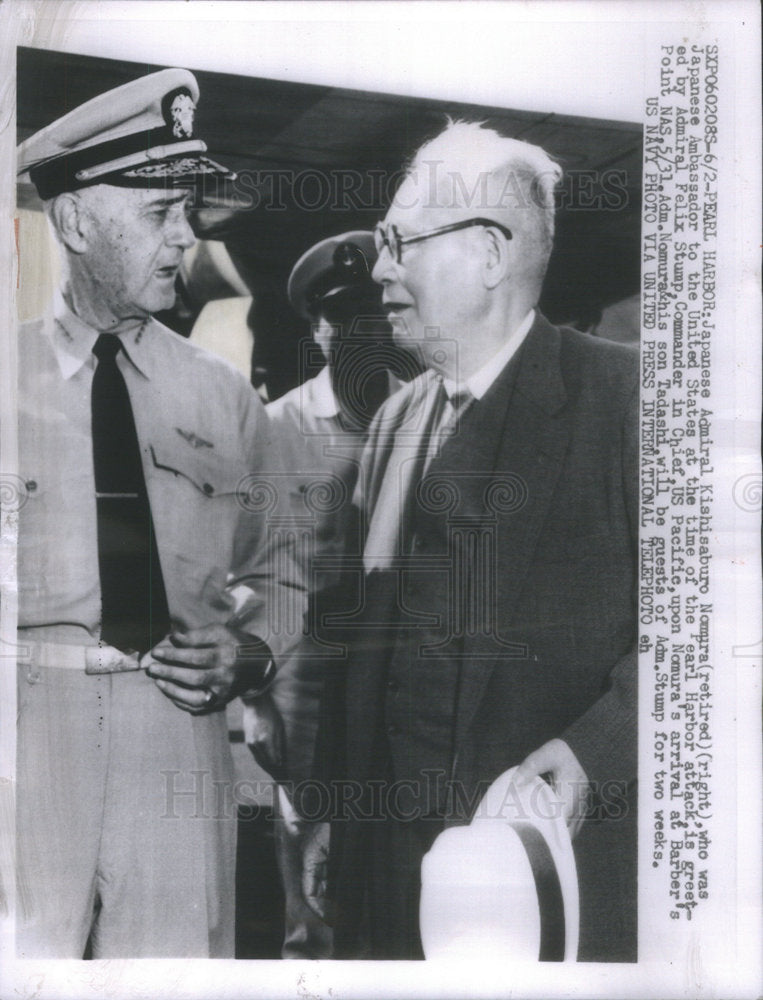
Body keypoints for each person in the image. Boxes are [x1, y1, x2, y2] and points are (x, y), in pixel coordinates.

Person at [323, 121, 638, 961]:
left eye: (399, 242)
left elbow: (721, 636)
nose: (379, 267)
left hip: (547, 888)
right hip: (390, 883)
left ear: (491, 255)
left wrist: (594, 750)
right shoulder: (394, 422)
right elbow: (359, 644)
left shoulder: (631, 404)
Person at [14, 69, 304, 958]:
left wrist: (249, 652)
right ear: (74, 223)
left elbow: (286, 570)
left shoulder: (223, 398)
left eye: (189, 212)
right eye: (157, 213)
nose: (185, 238)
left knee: (174, 972)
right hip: (24, 731)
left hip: (174, 727)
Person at [257, 231, 403, 957]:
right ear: (319, 329)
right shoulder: (278, 428)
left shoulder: (424, 415)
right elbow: (250, 572)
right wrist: (259, 701)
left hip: (392, 669)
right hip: (306, 677)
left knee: (383, 844)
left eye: (373, 319)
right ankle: (305, 956)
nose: (360, 336)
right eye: (344, 322)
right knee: (306, 846)